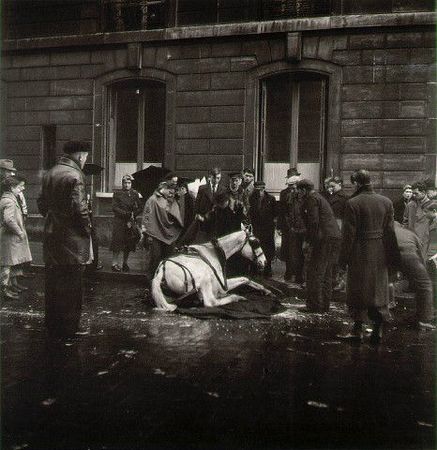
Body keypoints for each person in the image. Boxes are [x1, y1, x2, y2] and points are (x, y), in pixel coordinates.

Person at [37, 140, 92, 338]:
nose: (85, 160)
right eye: (85, 157)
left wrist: (54, 219)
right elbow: (80, 209)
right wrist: (87, 228)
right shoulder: (76, 175)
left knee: (53, 282)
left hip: (52, 236)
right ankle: (69, 328)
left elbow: (41, 204)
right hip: (72, 240)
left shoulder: (50, 173)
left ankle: (53, 325)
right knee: (72, 285)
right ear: (79, 156)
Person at [339, 169, 401, 344]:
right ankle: (378, 329)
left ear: (357, 183)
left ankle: (357, 330)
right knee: (378, 289)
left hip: (360, 251)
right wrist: (392, 259)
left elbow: (348, 236)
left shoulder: (353, 203)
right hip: (380, 250)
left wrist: (342, 261)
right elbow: (390, 232)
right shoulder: (386, 202)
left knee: (358, 289)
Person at [297, 179, 341, 313]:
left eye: (299, 190)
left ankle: (314, 306)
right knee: (327, 272)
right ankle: (324, 305)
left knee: (314, 272)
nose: (298, 193)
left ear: (304, 190)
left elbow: (314, 223)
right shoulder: (319, 197)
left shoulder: (311, 199)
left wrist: (308, 241)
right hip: (333, 238)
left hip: (322, 240)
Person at [394, 221, 434, 329]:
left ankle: (382, 313)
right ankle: (423, 320)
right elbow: (421, 254)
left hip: (390, 257)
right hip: (409, 256)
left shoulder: (387, 231)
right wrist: (423, 271)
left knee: (386, 282)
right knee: (425, 286)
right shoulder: (410, 233)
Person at [142, 181, 184, 276]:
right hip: (155, 234)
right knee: (155, 258)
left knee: (169, 258)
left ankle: (166, 280)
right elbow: (147, 217)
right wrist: (148, 234)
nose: (171, 194)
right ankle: (152, 280)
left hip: (169, 234)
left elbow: (176, 215)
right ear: (163, 188)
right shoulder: (152, 200)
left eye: (173, 193)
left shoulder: (172, 200)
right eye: (169, 192)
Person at [0, 176, 32, 300]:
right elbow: (9, 219)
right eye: (20, 186)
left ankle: (9, 287)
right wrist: (19, 232)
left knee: (10, 262)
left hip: (8, 236)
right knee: (6, 264)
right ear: (12, 187)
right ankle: (4, 290)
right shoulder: (9, 201)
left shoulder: (9, 198)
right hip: (8, 237)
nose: (22, 189)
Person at [278, 170, 306, 283]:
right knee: (290, 251)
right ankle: (290, 272)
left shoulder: (304, 195)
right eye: (289, 186)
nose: (291, 189)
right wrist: (282, 226)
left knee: (302, 252)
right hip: (290, 228)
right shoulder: (286, 194)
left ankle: (300, 275)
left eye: (293, 186)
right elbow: (283, 211)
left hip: (303, 228)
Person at [110, 174, 142, 272]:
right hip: (119, 221)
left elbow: (140, 207)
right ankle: (114, 263)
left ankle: (125, 263)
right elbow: (114, 208)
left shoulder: (135, 194)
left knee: (129, 243)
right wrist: (127, 214)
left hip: (130, 222)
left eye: (129, 183)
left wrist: (134, 213)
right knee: (117, 242)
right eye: (125, 183)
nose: (127, 185)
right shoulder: (117, 193)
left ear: (131, 184)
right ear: (122, 183)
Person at [249, 181, 276, 277]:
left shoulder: (271, 199)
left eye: (260, 190)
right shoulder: (251, 199)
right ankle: (255, 269)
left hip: (268, 228)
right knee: (256, 248)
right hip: (256, 228)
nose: (258, 192)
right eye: (256, 190)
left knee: (268, 249)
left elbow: (275, 213)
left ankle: (268, 269)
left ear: (263, 189)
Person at [194, 167, 226, 240]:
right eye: (214, 178)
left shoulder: (223, 189)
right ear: (210, 177)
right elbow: (197, 204)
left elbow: (223, 205)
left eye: (218, 178)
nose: (216, 180)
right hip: (204, 220)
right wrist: (198, 215)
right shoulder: (202, 188)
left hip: (217, 221)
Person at [403, 181, 431, 254]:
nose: (414, 195)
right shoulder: (410, 205)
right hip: (411, 241)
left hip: (426, 241)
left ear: (423, 192)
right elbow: (405, 221)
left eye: (416, 193)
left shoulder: (432, 205)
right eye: (413, 193)